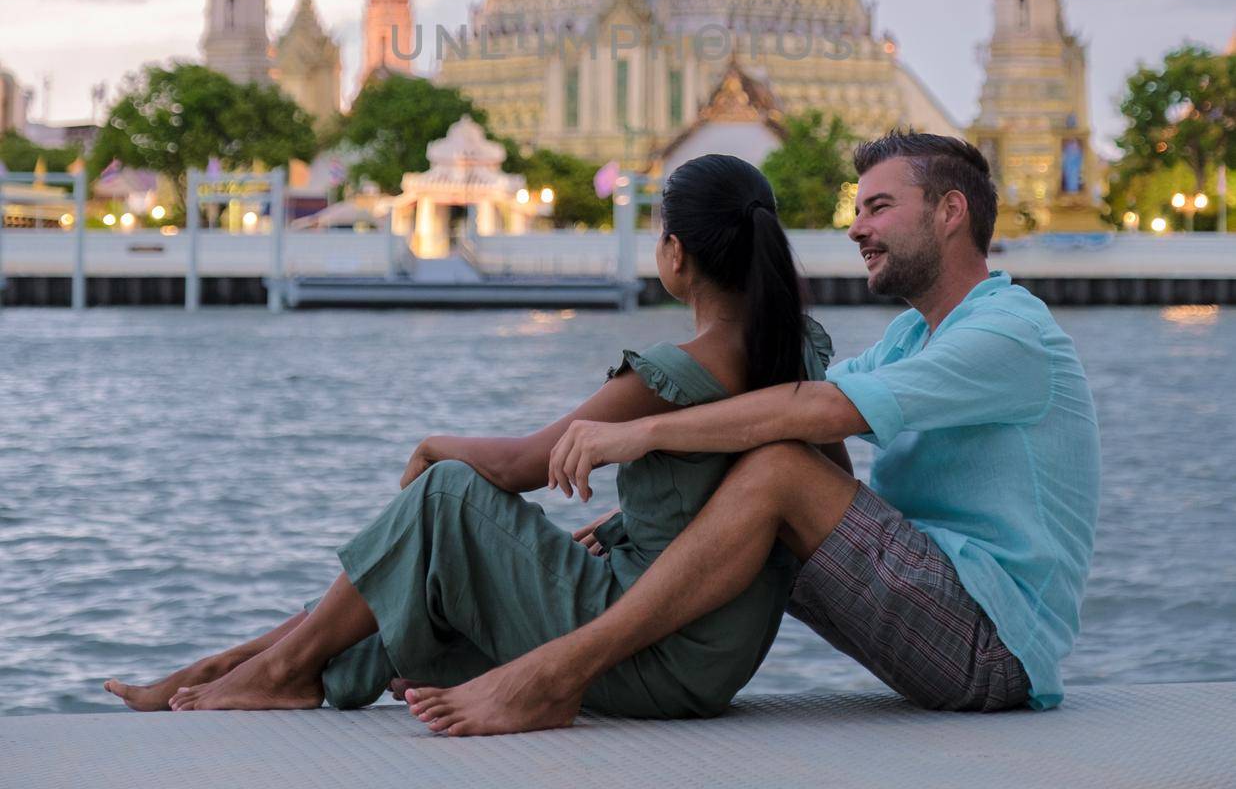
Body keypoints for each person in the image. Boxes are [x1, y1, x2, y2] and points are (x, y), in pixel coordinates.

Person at [404, 133, 1101, 737]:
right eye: (856, 210)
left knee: (779, 468)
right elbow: (786, 405)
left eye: (879, 207)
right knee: (769, 456)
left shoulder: (1009, 332)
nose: (857, 228)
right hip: (939, 619)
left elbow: (818, 414)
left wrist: (644, 432)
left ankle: (556, 674)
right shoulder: (916, 335)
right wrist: (635, 513)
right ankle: (402, 653)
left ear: (952, 212)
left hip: (993, 648)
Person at [104, 154, 843, 717]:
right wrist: (624, 523)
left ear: (675, 254)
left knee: (447, 495)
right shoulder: (801, 352)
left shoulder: (671, 373)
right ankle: (239, 666)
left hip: (646, 641)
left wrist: (431, 446)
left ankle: (271, 673)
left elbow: (523, 465)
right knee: (422, 569)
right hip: (715, 655)